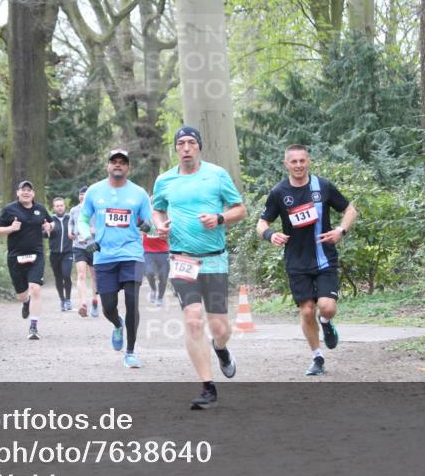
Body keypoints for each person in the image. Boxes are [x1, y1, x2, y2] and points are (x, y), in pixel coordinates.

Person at [152, 127, 247, 410]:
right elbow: (157, 209)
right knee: (193, 319)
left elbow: (240, 210)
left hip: (214, 259)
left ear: (199, 147)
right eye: (180, 143)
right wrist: (159, 224)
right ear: (176, 148)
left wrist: (219, 218)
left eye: (191, 143)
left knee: (219, 326)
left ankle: (221, 348)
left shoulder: (217, 175)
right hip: (182, 259)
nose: (186, 148)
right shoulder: (165, 180)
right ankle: (207, 387)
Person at [256, 144, 357, 376]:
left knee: (326, 307)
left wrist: (341, 230)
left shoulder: (322, 186)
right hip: (297, 261)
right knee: (307, 311)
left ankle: (326, 322)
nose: (299, 165)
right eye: (294, 162)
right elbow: (261, 223)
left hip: (324, 258)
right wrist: (271, 235)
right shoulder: (279, 192)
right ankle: (317, 358)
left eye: (302, 161)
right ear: (286, 164)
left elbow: (350, 209)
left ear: (308, 161)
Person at [76, 149, 153, 369]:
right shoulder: (94, 191)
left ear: (128, 168)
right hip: (104, 256)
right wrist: (87, 236)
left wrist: (147, 225)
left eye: (122, 162)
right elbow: (82, 219)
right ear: (108, 166)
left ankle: (130, 352)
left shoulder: (139, 193)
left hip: (132, 254)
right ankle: (117, 324)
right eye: (114, 162)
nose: (118, 165)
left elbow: (149, 221)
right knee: (108, 306)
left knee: (132, 301)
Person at [0, 181, 53, 340]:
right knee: (21, 294)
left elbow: (50, 222)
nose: (26, 193)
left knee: (35, 288)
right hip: (15, 256)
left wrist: (49, 227)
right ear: (18, 193)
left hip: (36, 255)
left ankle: (33, 327)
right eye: (23, 190)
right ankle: (25, 302)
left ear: (33, 194)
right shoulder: (9, 210)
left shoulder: (40, 209)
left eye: (29, 190)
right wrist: (11, 228)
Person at [68, 186, 99, 318]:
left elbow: (102, 226)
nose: (83, 196)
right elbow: (71, 224)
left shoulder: (96, 209)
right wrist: (70, 232)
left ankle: (95, 301)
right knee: (81, 275)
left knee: (94, 276)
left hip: (93, 245)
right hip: (78, 245)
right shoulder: (74, 210)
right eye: (81, 194)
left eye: (85, 194)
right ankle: (83, 304)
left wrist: (94, 230)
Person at [46, 196, 74, 311]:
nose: (60, 208)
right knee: (58, 277)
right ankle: (62, 300)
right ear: (54, 208)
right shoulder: (50, 220)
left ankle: (68, 300)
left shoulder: (70, 218)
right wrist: (46, 230)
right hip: (54, 254)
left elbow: (77, 230)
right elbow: (43, 234)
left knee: (66, 275)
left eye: (61, 205)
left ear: (64, 206)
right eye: (57, 206)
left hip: (68, 253)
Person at [142, 204, 170, 307]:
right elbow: (137, 228)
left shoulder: (166, 217)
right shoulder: (144, 215)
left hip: (163, 251)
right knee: (149, 273)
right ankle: (153, 289)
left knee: (163, 276)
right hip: (148, 251)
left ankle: (160, 297)